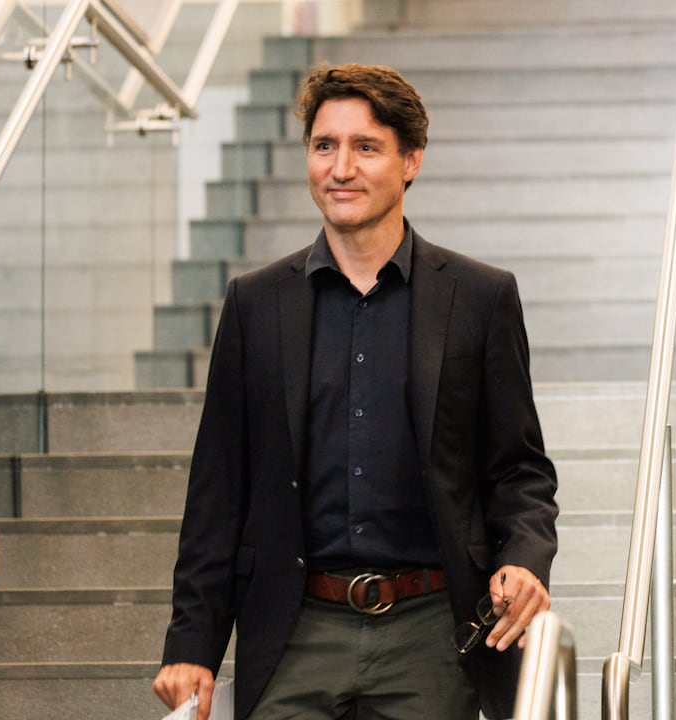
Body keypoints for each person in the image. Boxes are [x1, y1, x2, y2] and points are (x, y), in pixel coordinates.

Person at [153, 62, 558, 720]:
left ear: (411, 160)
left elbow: (519, 469)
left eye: (366, 147)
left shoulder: (480, 299)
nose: (340, 168)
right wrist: (192, 644)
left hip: (432, 633)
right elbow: (218, 493)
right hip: (294, 630)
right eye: (324, 146)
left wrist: (526, 559)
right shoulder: (255, 305)